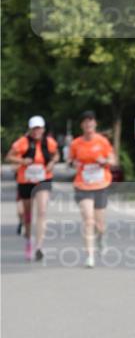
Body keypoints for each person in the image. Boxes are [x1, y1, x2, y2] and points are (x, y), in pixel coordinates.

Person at [6, 116, 59, 261]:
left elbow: (56, 155)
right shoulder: (22, 142)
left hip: (43, 179)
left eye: (39, 128)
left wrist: (52, 162)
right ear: (30, 129)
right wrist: (22, 161)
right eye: (34, 128)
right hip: (26, 180)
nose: (37, 131)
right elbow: (9, 156)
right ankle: (29, 241)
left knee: (42, 211)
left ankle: (39, 246)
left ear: (43, 129)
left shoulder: (49, 142)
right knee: (28, 215)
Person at [68, 111, 117, 268]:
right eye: (85, 122)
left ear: (95, 124)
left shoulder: (102, 141)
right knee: (88, 220)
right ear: (82, 125)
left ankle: (101, 237)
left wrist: (105, 161)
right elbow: (69, 160)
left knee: (99, 223)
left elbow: (113, 160)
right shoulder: (76, 143)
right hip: (83, 184)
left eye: (91, 122)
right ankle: (90, 256)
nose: (88, 125)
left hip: (100, 184)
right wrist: (72, 164)